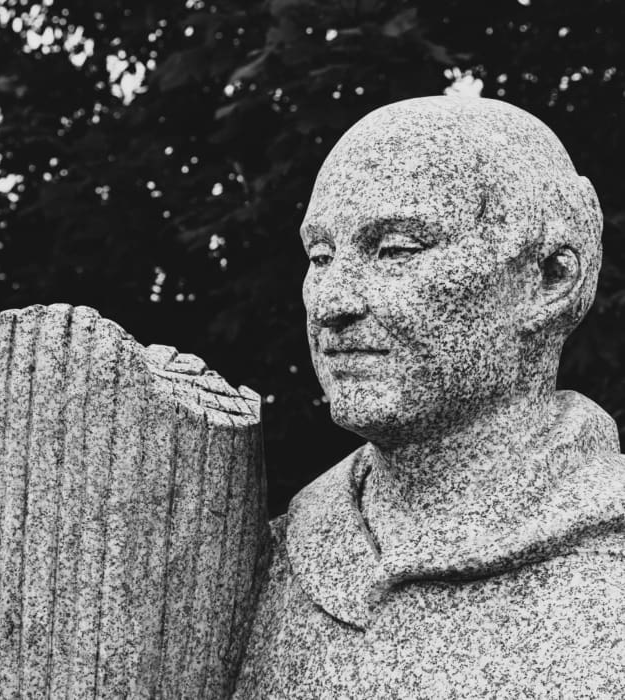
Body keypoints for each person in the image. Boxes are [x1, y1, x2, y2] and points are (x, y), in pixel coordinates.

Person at [233, 95, 625, 698]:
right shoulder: (266, 567)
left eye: (396, 250)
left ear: (550, 276)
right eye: (321, 257)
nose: (333, 304)